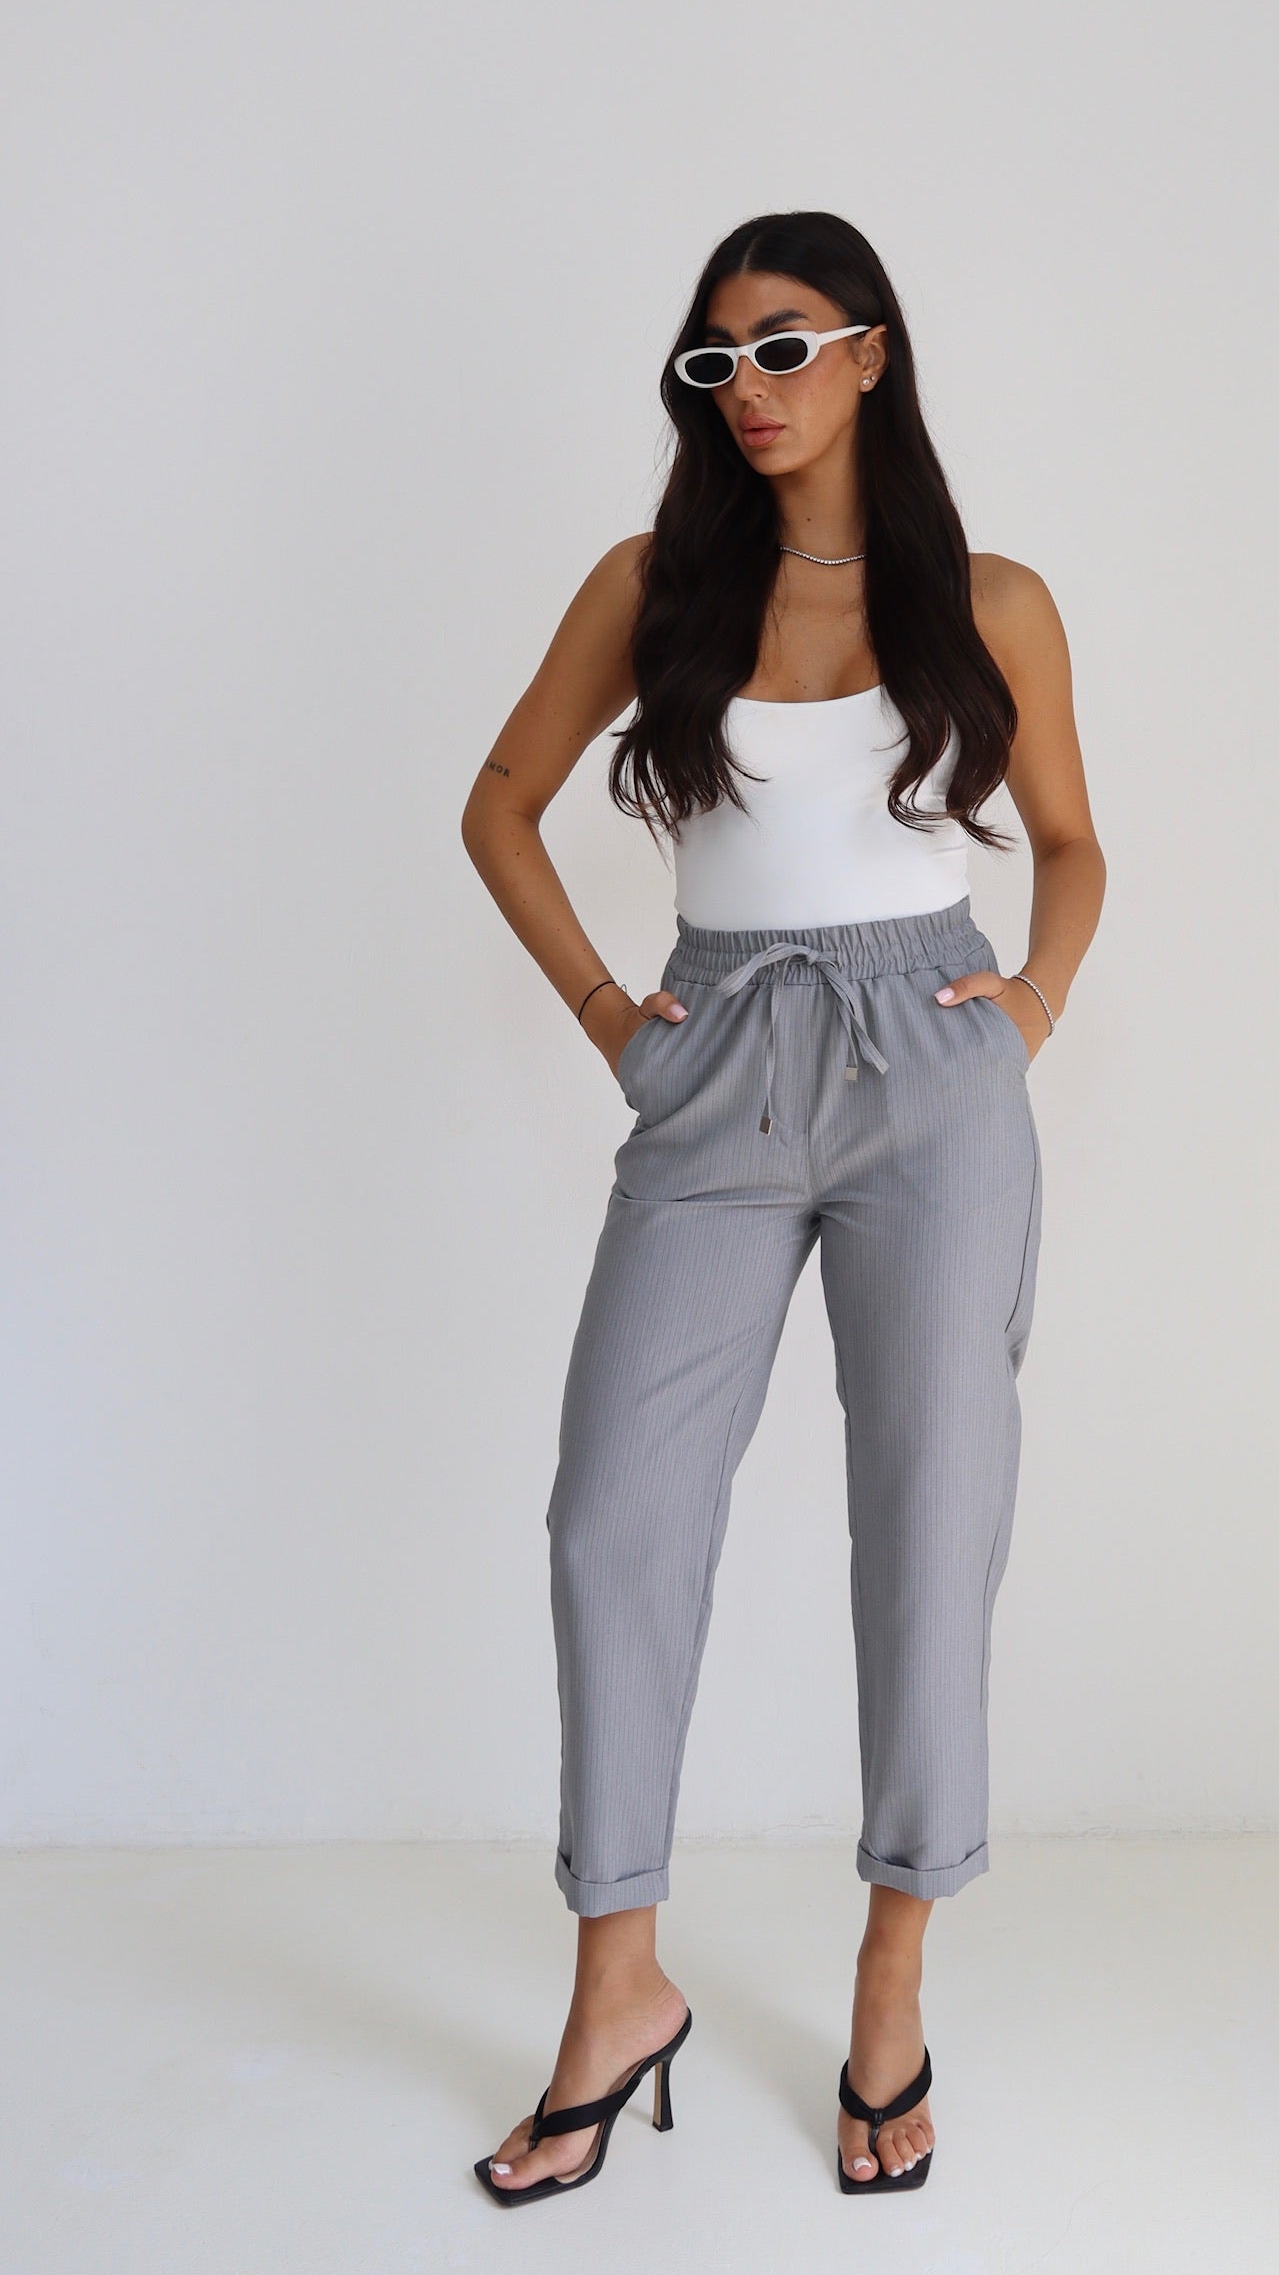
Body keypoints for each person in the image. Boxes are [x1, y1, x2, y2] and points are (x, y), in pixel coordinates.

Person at [460, 210, 1106, 2206]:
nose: (748, 386)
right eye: (716, 357)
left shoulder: (989, 600)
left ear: (872, 353)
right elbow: (498, 803)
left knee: (928, 1526)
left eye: (786, 343)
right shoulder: (651, 582)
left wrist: (1026, 1012)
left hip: (934, 1071)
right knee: (613, 1517)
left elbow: (1073, 843)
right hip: (718, 1064)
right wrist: (612, 1020)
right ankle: (617, 1987)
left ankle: (891, 1979)